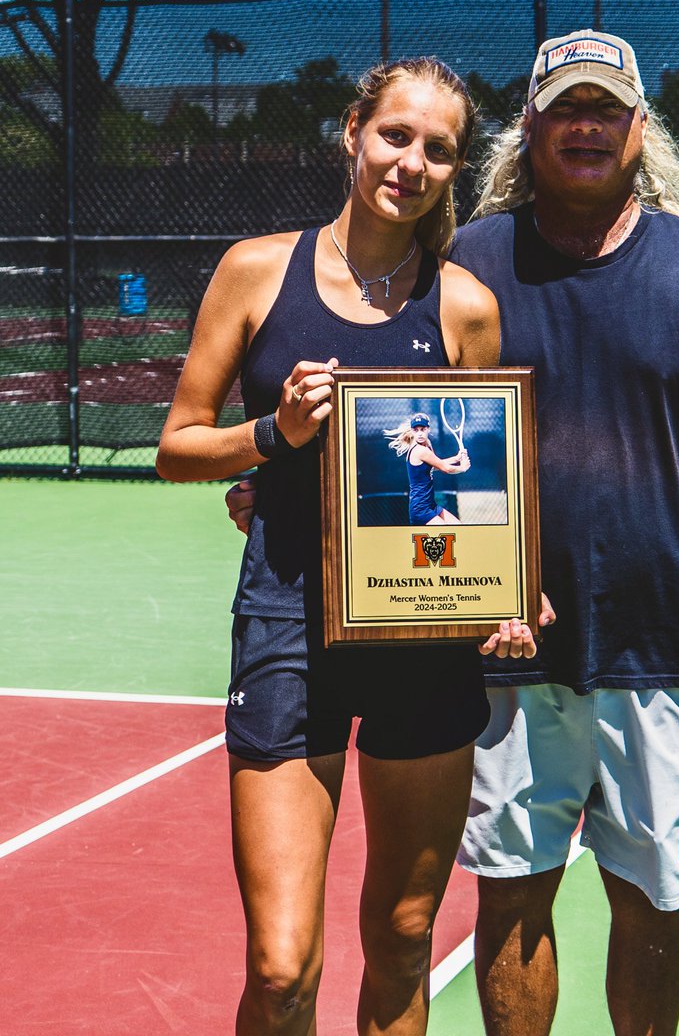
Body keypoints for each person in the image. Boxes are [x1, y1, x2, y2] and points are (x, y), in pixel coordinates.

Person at [228, 28, 679, 1036]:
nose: (586, 126)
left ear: (639, 129)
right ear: (529, 127)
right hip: (494, 652)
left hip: (660, 645)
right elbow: (392, 414)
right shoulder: (460, 261)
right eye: (565, 108)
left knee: (652, 902)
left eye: (607, 110)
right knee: (509, 899)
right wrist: (293, 482)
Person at [156, 56, 538, 1036]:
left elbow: (475, 491)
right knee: (282, 968)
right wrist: (274, 434)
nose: (410, 162)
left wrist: (507, 588)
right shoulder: (256, 270)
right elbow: (177, 447)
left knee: (406, 937)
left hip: (422, 630)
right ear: (354, 133)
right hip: (289, 623)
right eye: (395, 135)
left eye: (439, 150)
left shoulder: (466, 307)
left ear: (456, 171)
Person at [385, 411, 471, 523]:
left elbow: (434, 465)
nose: (420, 433)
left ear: (428, 429)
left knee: (459, 528)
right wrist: (462, 468)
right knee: (447, 536)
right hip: (420, 510)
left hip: (431, 506)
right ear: (412, 431)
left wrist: (456, 458)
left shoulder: (427, 444)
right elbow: (446, 468)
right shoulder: (420, 451)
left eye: (423, 429)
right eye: (416, 430)